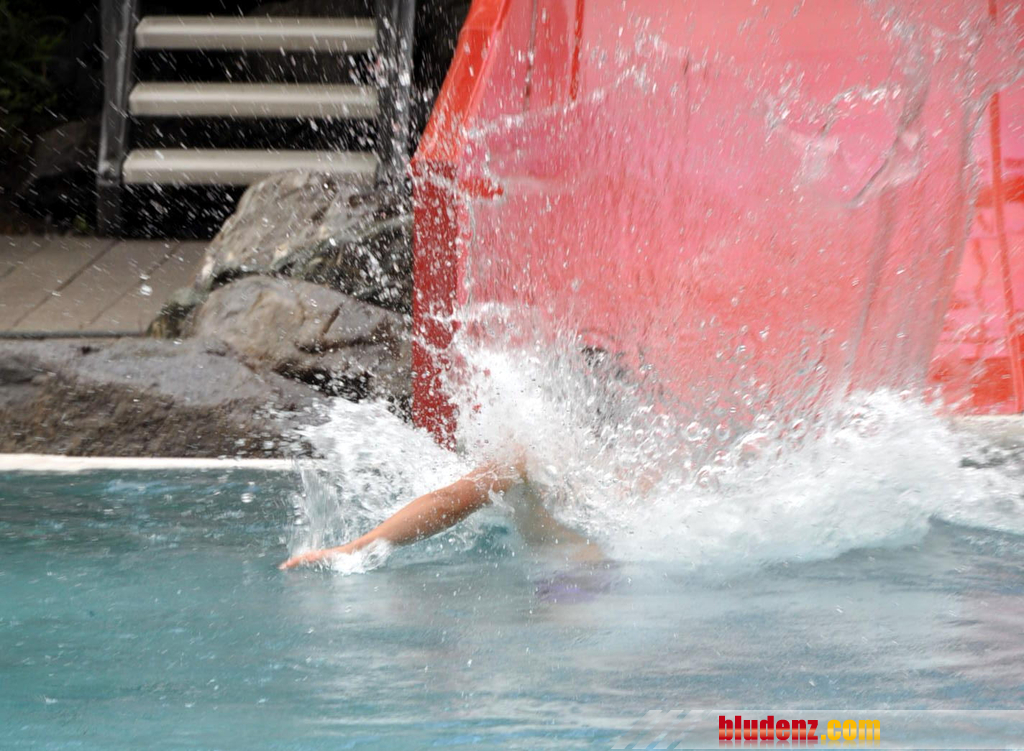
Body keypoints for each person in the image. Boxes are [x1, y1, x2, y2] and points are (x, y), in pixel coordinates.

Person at [278, 452, 603, 569]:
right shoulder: (620, 462)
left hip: (572, 577)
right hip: (601, 574)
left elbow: (448, 503)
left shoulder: (523, 456)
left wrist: (352, 549)